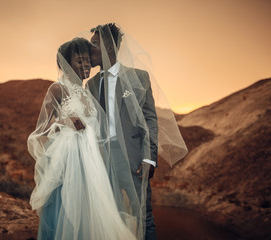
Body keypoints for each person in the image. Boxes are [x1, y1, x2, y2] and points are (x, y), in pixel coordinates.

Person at [28, 38, 138, 240]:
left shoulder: (88, 93)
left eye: (87, 60)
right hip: (68, 160)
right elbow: (39, 130)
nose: (86, 65)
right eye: (80, 61)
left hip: (92, 161)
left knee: (92, 210)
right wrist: (63, 122)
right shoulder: (57, 89)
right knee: (67, 209)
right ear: (67, 64)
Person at [86, 23, 188, 240]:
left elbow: (150, 119)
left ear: (110, 48)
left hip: (133, 159)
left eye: (94, 44)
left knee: (142, 216)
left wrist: (149, 158)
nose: (89, 49)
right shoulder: (91, 85)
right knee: (109, 216)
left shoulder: (139, 78)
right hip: (102, 161)